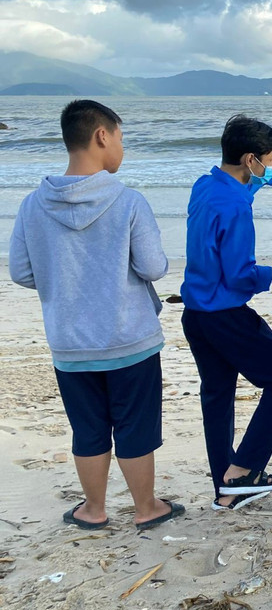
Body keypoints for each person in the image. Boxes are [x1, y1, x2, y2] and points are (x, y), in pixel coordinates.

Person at [9, 100, 183, 530]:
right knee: (135, 427)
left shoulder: (33, 204)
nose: (122, 147)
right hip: (130, 338)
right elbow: (153, 267)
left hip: (70, 341)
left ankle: (94, 510)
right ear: (102, 135)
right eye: (120, 137)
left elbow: (22, 271)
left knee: (88, 429)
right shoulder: (128, 201)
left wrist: (65, 287)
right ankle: (146, 509)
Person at [181, 114, 272, 511]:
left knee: (217, 396)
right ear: (250, 159)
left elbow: (241, 194)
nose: (271, 169)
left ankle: (226, 488)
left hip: (196, 314)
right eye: (269, 161)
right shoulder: (234, 207)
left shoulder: (206, 185)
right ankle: (244, 470)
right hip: (226, 315)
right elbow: (237, 276)